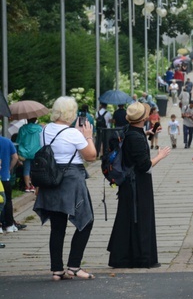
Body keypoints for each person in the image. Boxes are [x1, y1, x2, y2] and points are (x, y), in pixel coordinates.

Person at [33, 96, 98, 280]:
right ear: (71, 113)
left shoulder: (44, 131)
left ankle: (56, 269)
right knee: (86, 221)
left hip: (51, 179)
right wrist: (87, 136)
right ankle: (74, 266)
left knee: (57, 226)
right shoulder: (73, 134)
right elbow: (91, 156)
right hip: (71, 180)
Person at [107, 103, 171, 268]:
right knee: (140, 218)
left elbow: (134, 141)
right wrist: (160, 156)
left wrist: (148, 134)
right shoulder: (135, 137)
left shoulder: (130, 132)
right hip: (138, 183)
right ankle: (141, 258)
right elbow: (145, 165)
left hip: (129, 183)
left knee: (127, 218)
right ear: (144, 118)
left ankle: (123, 257)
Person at [16, 118, 43, 192]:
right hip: (37, 151)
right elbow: (42, 140)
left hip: (25, 152)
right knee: (35, 169)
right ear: (36, 120)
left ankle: (27, 186)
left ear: (27, 120)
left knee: (26, 169)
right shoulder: (40, 128)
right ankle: (34, 185)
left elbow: (18, 141)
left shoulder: (22, 129)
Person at [0, 134, 18, 233]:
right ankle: (9, 224)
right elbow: (15, 157)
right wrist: (8, 169)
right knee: (7, 200)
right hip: (5, 177)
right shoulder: (7, 141)